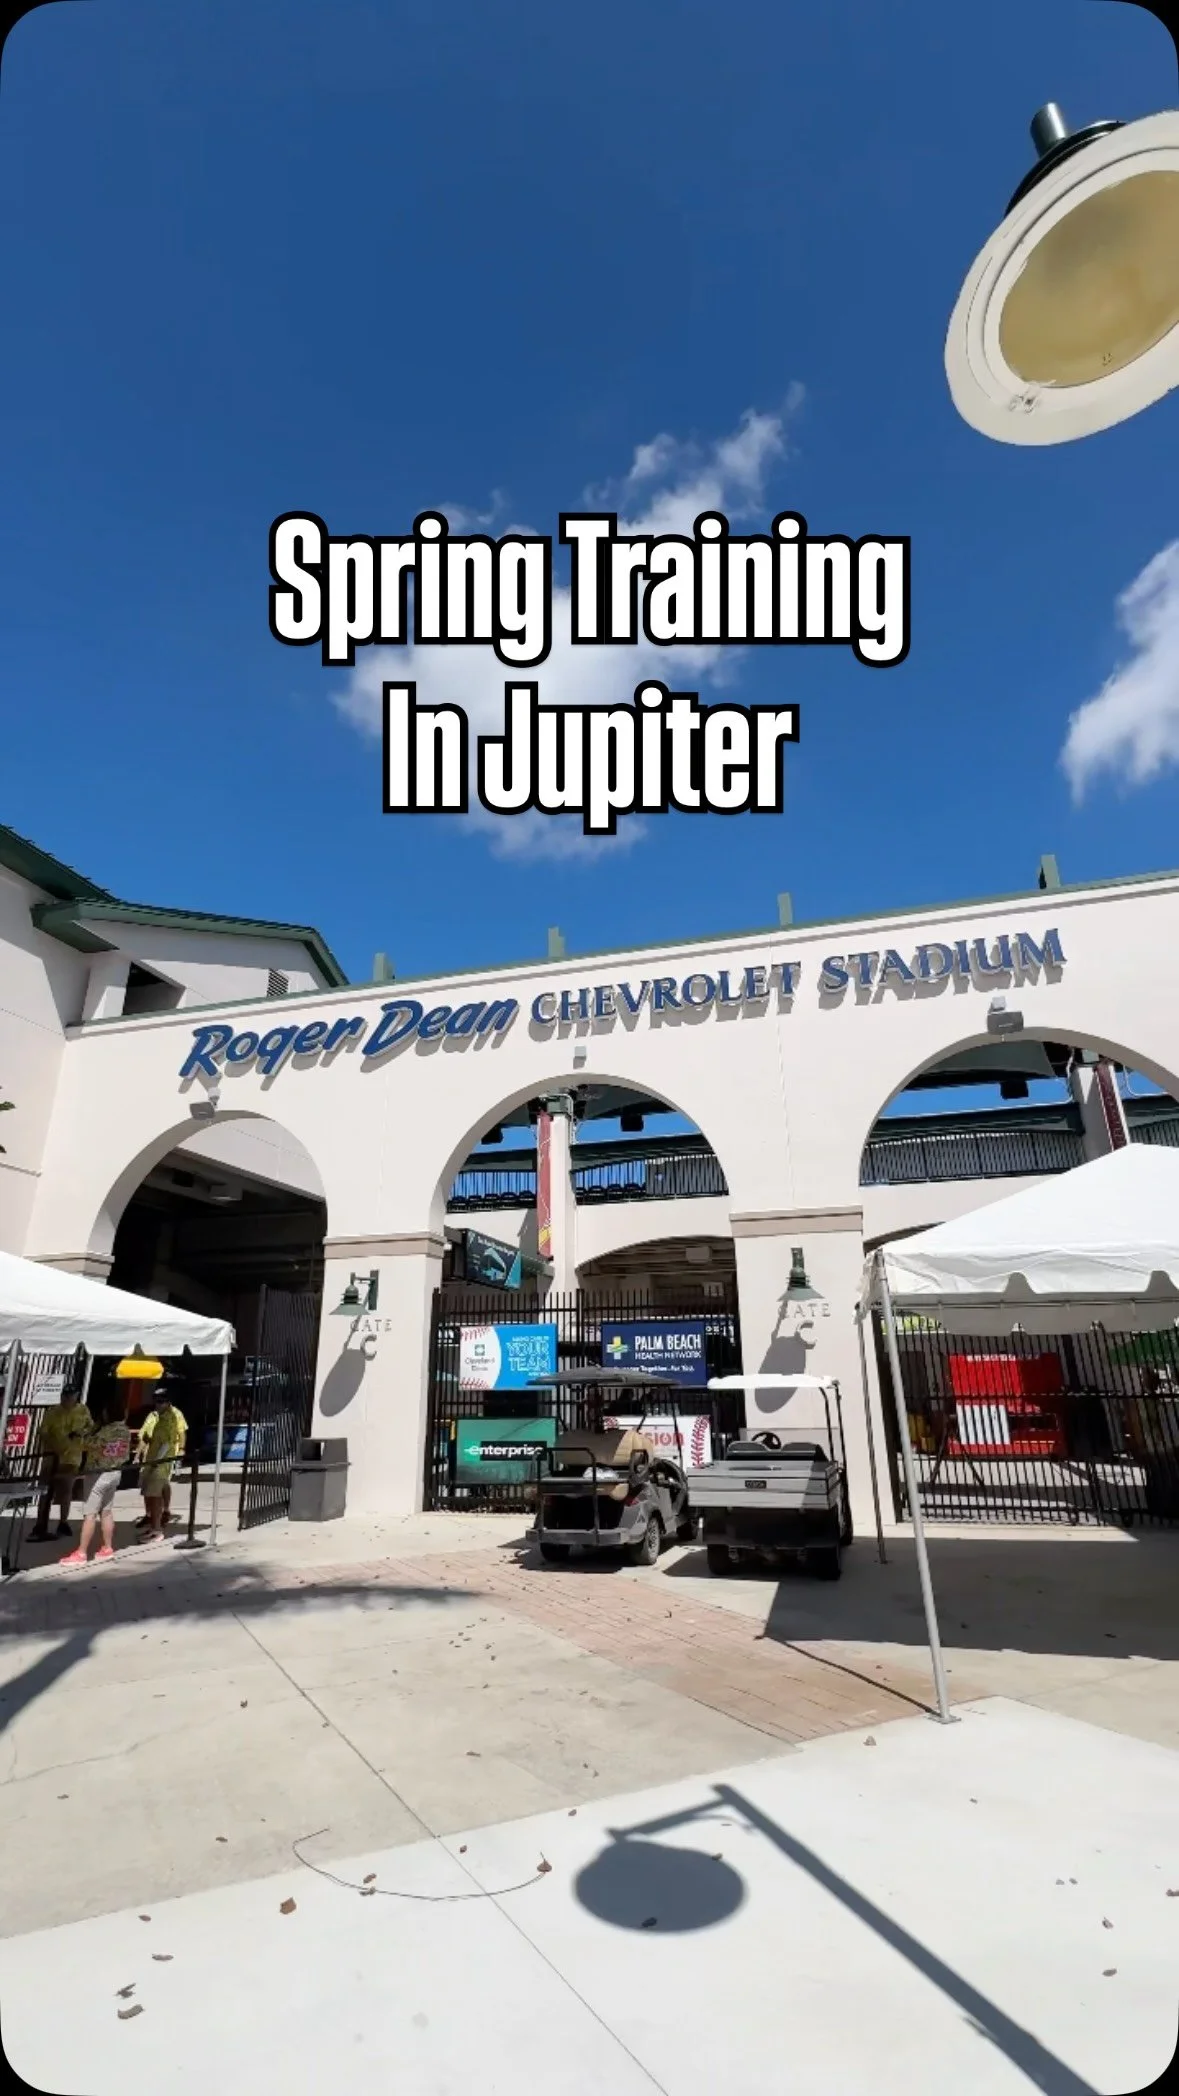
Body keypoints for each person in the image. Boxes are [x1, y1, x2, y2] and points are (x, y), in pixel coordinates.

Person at [60, 1398, 134, 1568]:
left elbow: (87, 1445)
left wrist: (80, 1436)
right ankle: (107, 1548)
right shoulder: (125, 1430)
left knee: (90, 1514)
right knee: (106, 1512)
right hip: (115, 1472)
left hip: (98, 1475)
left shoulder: (105, 1431)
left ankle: (81, 1552)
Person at [28, 1379, 93, 1543]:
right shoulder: (53, 1412)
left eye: (70, 1396)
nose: (67, 1399)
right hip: (52, 1457)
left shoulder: (83, 1410)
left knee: (66, 1491)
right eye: (65, 1395)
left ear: (76, 1396)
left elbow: (90, 1426)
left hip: (72, 1457)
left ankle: (63, 1523)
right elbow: (42, 1432)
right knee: (45, 1491)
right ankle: (40, 1524)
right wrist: (53, 1445)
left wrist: (82, 1433)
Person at [138, 1386, 188, 1543]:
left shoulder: (173, 1417)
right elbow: (146, 1435)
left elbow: (171, 1440)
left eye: (161, 1401)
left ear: (168, 1402)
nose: (158, 1404)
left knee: (156, 1493)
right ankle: (153, 1524)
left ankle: (157, 1530)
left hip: (161, 1461)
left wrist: (180, 1450)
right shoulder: (156, 1416)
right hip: (151, 1458)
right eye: (156, 1401)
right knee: (150, 1493)